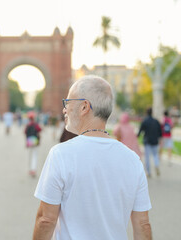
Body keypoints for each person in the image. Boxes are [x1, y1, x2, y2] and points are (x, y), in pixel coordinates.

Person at [33, 75, 152, 240]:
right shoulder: (133, 160)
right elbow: (142, 225)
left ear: (84, 107)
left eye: (67, 103)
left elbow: (46, 220)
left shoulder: (61, 155)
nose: (64, 110)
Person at [138, 107, 162, 177]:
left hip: (147, 141)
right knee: (155, 155)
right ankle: (156, 165)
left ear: (146, 112)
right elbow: (160, 132)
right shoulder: (156, 121)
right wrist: (159, 139)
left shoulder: (145, 121)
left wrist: (137, 136)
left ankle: (148, 172)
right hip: (155, 141)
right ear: (152, 112)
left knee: (147, 157)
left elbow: (140, 131)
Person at [25, 113, 42, 177]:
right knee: (34, 155)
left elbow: (25, 132)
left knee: (29, 155)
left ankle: (29, 169)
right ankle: (33, 169)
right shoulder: (35, 124)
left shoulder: (28, 125)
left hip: (29, 140)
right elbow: (40, 130)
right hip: (35, 140)